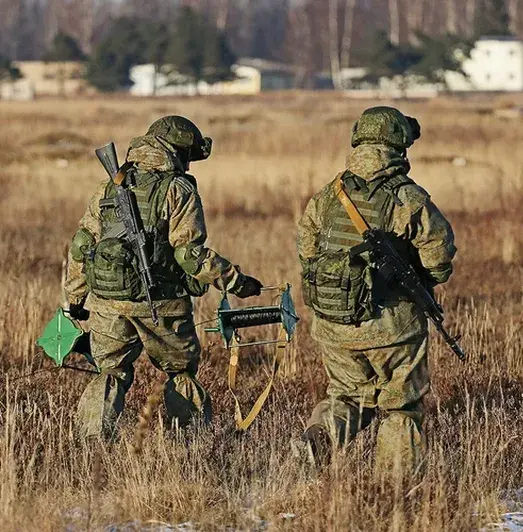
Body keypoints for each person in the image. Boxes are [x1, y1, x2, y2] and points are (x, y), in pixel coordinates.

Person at [65, 115, 263, 439]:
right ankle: (191, 444)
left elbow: (82, 244)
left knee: (110, 370)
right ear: (180, 152)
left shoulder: (110, 185)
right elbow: (190, 255)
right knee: (181, 371)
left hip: (107, 303)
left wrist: (75, 299)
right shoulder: (177, 190)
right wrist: (237, 282)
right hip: (164, 304)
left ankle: (90, 441)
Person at [297, 106, 456, 475]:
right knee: (401, 404)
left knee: (347, 395)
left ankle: (319, 438)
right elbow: (439, 255)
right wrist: (424, 278)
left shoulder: (327, 195)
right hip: (391, 325)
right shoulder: (408, 197)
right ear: (399, 146)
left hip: (334, 323)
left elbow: (307, 252)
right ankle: (394, 486)